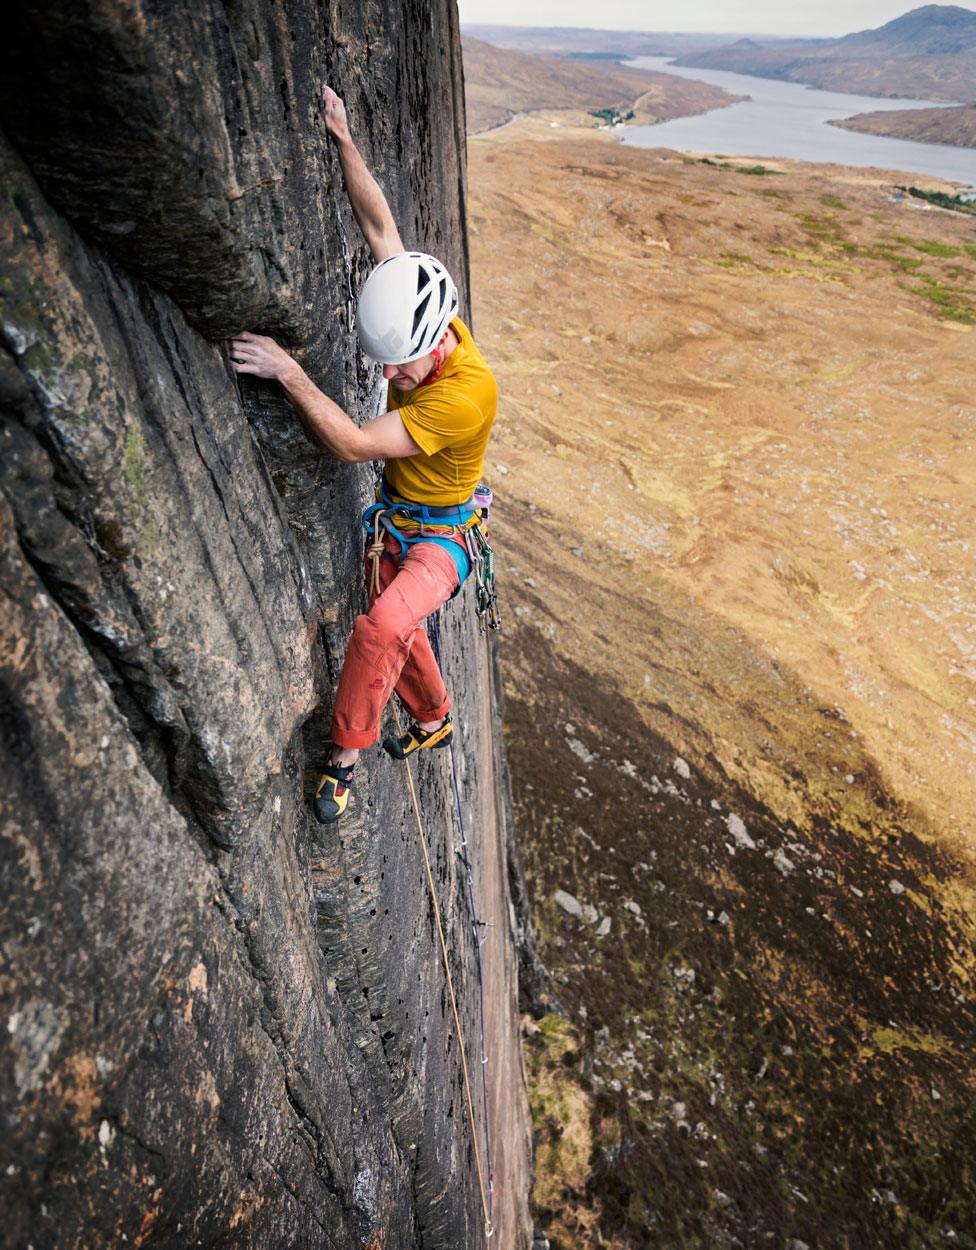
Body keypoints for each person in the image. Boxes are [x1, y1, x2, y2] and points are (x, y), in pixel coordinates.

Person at [229, 86, 497, 824]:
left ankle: (343, 758)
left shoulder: (464, 395)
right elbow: (381, 227)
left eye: (396, 368)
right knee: (398, 631)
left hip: (442, 537)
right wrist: (344, 139)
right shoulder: (426, 312)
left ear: (431, 348)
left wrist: (287, 370)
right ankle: (436, 715)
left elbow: (350, 442)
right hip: (405, 518)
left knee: (379, 629)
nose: (386, 378)